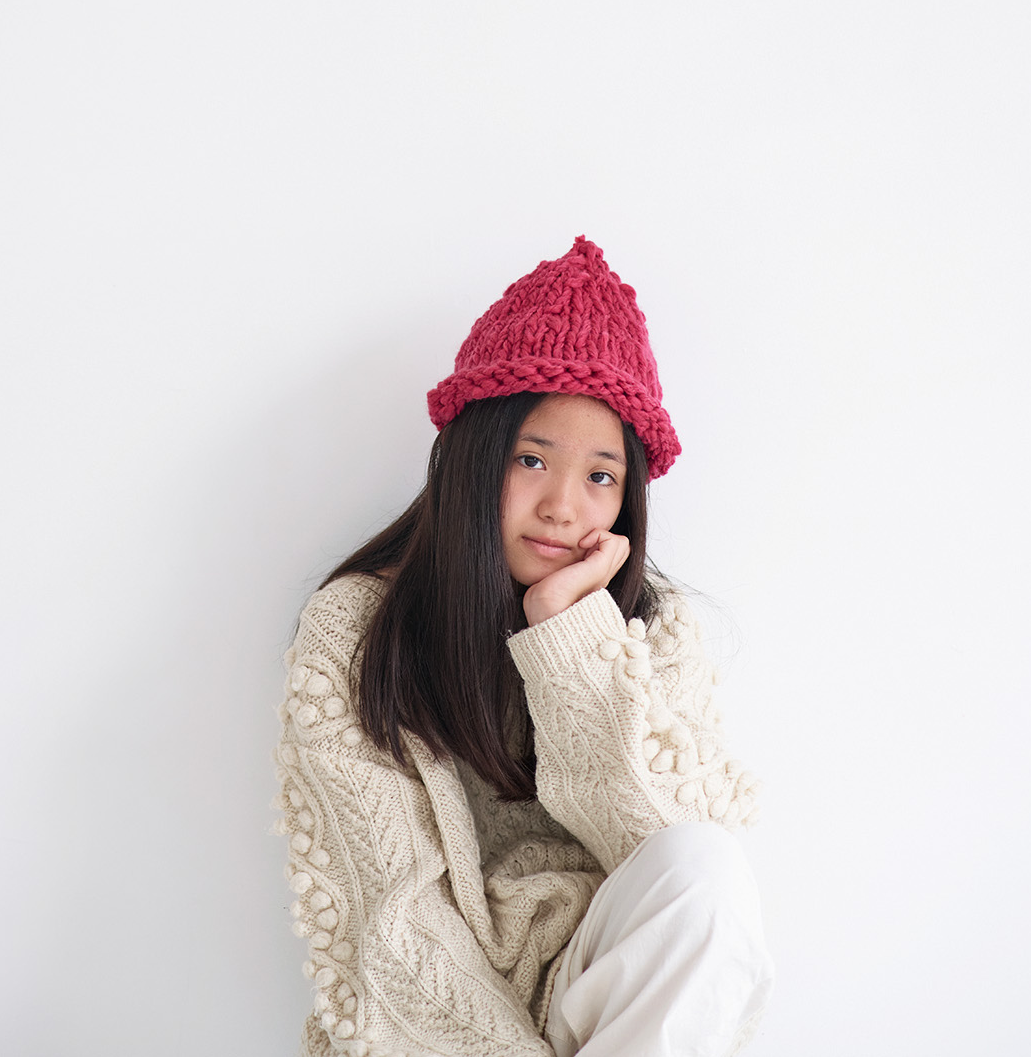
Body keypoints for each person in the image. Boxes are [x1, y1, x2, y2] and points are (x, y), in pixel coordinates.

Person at [272, 237, 774, 1057]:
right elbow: (389, 929)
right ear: (473, 459)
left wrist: (568, 636)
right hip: (425, 1036)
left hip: (609, 1003)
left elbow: (685, 892)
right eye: (531, 459)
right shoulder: (357, 630)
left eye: (601, 476)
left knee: (703, 861)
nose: (563, 507)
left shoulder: (651, 627)